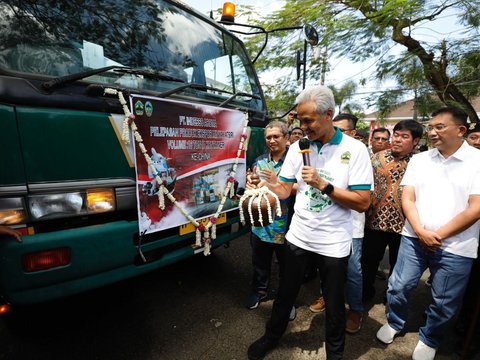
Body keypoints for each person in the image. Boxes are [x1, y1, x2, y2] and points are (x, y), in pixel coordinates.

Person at [247, 86, 373, 360]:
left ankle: (335, 354)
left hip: (334, 242)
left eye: (308, 121)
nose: (303, 127)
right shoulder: (297, 148)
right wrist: (267, 184)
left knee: (335, 303)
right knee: (285, 293)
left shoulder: (355, 149)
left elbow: (362, 202)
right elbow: (284, 191)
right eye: (300, 121)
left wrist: (323, 184)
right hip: (299, 236)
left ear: (329, 114)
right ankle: (271, 337)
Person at [376, 107, 480, 360]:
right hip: (414, 237)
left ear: (461, 130)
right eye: (431, 127)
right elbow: (408, 197)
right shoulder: (420, 160)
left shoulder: (477, 162)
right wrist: (421, 231)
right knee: (399, 286)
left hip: (456, 246)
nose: (432, 132)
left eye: (439, 127)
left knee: (444, 301)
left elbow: (476, 207)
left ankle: (429, 338)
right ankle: (395, 322)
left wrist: (439, 234)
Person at [309, 113, 366, 333]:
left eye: (340, 130)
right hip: (326, 224)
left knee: (352, 271)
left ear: (352, 133)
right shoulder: (322, 152)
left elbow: (361, 199)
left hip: (351, 225)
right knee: (327, 267)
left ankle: (355, 310)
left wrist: (325, 185)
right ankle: (326, 296)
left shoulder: (358, 154)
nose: (333, 134)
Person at [361, 120, 423, 302]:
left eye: (405, 137)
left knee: (399, 266)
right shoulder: (376, 158)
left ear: (415, 141)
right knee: (368, 263)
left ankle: (391, 297)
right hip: (374, 222)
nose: (397, 140)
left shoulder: (420, 163)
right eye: (396, 135)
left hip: (405, 226)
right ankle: (365, 295)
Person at [245, 121, 292, 312]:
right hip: (261, 224)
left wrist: (276, 184)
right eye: (268, 137)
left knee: (287, 267)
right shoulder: (259, 161)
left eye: (276, 136)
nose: (271, 140)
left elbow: (303, 188)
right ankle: (259, 291)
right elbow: (253, 183)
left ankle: (287, 301)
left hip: (286, 225)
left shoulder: (294, 161)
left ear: (286, 138)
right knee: (260, 263)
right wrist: (250, 185)